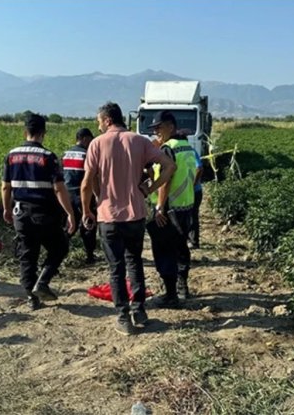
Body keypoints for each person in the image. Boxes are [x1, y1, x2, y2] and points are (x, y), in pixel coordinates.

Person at [81, 102, 176, 335]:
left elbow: (86, 182)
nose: (99, 126)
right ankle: (139, 309)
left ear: (106, 120)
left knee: (116, 268)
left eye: (99, 122)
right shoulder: (140, 141)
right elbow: (169, 166)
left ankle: (123, 317)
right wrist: (149, 189)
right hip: (135, 215)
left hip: (108, 216)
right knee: (135, 262)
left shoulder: (97, 143)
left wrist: (88, 209)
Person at [2, 113, 76, 310]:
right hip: (45, 213)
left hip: (21, 213)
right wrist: (69, 213)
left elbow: (5, 187)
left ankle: (31, 298)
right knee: (59, 247)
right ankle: (42, 282)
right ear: (43, 133)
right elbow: (59, 188)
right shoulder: (48, 157)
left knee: (28, 255)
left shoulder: (11, 156)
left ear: (25, 131)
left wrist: (6, 209)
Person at [146, 110, 197, 306]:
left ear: (171, 127)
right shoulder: (187, 147)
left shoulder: (168, 148)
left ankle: (170, 294)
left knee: (164, 249)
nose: (156, 132)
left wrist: (159, 206)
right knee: (181, 246)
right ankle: (182, 286)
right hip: (186, 205)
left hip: (168, 208)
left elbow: (167, 181)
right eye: (154, 129)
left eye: (159, 127)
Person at [62, 128, 98, 264]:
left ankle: (60, 253)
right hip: (83, 194)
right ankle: (90, 256)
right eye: (90, 139)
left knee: (69, 225)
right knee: (88, 224)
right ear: (84, 139)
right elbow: (93, 178)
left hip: (66, 194)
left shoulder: (65, 154)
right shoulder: (87, 155)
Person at [188, 148, 204, 249]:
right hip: (189, 191)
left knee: (192, 216)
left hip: (194, 191)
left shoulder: (191, 152)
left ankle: (194, 241)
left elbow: (199, 168)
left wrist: (192, 185)